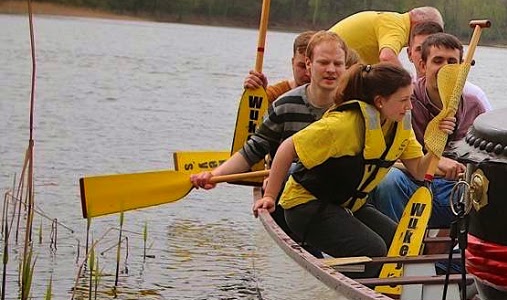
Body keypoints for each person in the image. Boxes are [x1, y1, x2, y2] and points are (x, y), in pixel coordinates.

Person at [251, 63, 427, 262]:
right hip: (305, 205)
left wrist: (437, 142)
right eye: (404, 100)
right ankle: (367, 289)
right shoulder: (343, 124)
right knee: (373, 249)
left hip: (347, 203)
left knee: (403, 241)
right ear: (379, 101)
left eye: (410, 99)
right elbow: (287, 148)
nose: (410, 106)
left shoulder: (399, 124)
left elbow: (419, 171)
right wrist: (271, 196)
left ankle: (390, 287)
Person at [194, 31, 354, 186]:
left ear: (346, 67)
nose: (331, 70)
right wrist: (214, 175)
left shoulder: (354, 107)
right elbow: (253, 149)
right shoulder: (284, 105)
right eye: (324, 63)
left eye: (338, 64)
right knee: (292, 170)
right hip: (290, 190)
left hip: (337, 189)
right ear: (308, 64)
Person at [368, 32, 491, 227]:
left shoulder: (474, 105)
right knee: (388, 181)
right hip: (408, 183)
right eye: (438, 60)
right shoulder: (406, 100)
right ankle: (397, 249)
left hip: (452, 188)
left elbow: (484, 160)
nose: (444, 68)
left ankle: (459, 256)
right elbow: (383, 155)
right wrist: (435, 161)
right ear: (423, 66)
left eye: (452, 62)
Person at [330, 7, 444, 66]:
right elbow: (387, 57)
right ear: (420, 23)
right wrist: (409, 84)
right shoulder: (396, 26)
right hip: (331, 61)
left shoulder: (393, 21)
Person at [244, 29, 316, 103]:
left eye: (312, 67)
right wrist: (255, 95)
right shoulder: (274, 95)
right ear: (292, 63)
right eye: (302, 66)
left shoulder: (328, 100)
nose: (308, 73)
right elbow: (248, 113)